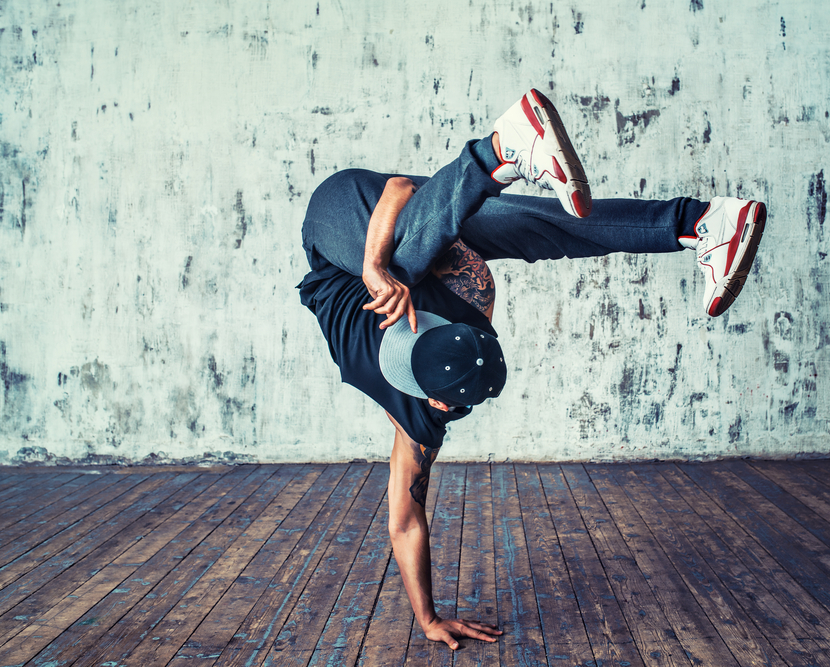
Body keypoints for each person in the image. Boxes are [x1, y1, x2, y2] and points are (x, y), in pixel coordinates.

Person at [297, 88, 766, 650]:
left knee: (413, 256)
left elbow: (398, 188)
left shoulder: (417, 396)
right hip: (388, 223)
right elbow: (406, 520)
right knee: (539, 230)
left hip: (340, 235)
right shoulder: (458, 349)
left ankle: (517, 153)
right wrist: (427, 618)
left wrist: (372, 267)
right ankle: (689, 219)